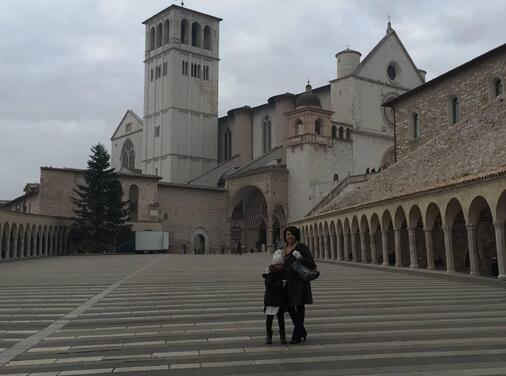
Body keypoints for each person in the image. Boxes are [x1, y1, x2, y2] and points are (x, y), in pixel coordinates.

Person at [283, 226, 315, 344]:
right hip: (287, 283)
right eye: (287, 234)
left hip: (299, 282)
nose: (289, 237)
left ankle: (296, 335)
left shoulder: (301, 247)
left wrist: (300, 257)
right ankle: (301, 329)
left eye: (291, 234)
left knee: (299, 307)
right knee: (290, 307)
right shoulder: (283, 248)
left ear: (296, 235)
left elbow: (311, 263)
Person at [262, 249, 287, 345]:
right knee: (269, 319)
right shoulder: (269, 273)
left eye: (281, 264)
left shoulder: (284, 272)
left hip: (280, 300)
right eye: (277, 264)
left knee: (281, 319)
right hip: (271, 300)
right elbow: (269, 285)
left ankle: (282, 335)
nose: (279, 266)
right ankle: (269, 335)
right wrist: (281, 283)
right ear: (273, 264)